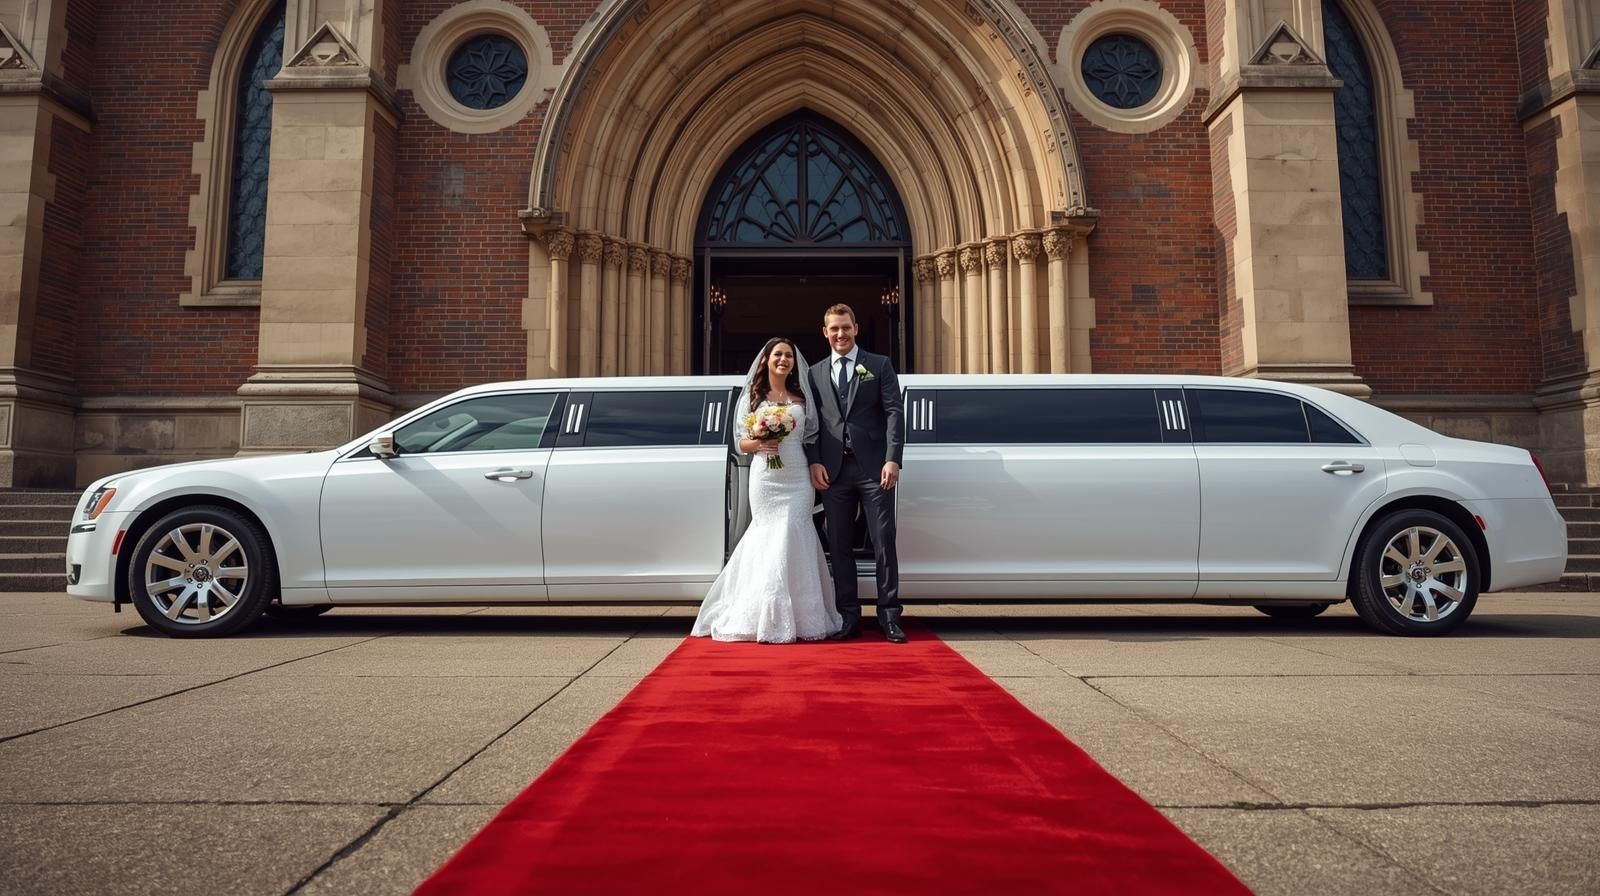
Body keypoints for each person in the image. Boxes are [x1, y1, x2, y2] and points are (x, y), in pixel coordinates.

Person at [692, 338, 842, 643]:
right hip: (765, 478)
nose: (784, 359)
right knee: (769, 533)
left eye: (788, 355)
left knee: (794, 532)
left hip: (798, 476)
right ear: (766, 360)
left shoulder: (802, 398)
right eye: (778, 354)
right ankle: (763, 613)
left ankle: (802, 617)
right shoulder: (753, 397)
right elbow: (740, 443)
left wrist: (815, 464)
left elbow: (812, 437)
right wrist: (761, 443)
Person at [806, 304, 906, 643]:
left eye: (845, 327)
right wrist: (814, 460)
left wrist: (893, 459)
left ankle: (889, 615)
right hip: (833, 472)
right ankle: (848, 616)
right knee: (840, 545)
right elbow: (812, 424)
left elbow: (894, 412)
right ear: (825, 332)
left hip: (874, 469)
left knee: (883, 542)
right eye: (834, 329)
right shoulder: (814, 373)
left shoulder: (878, 365)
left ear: (856, 328)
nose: (840, 334)